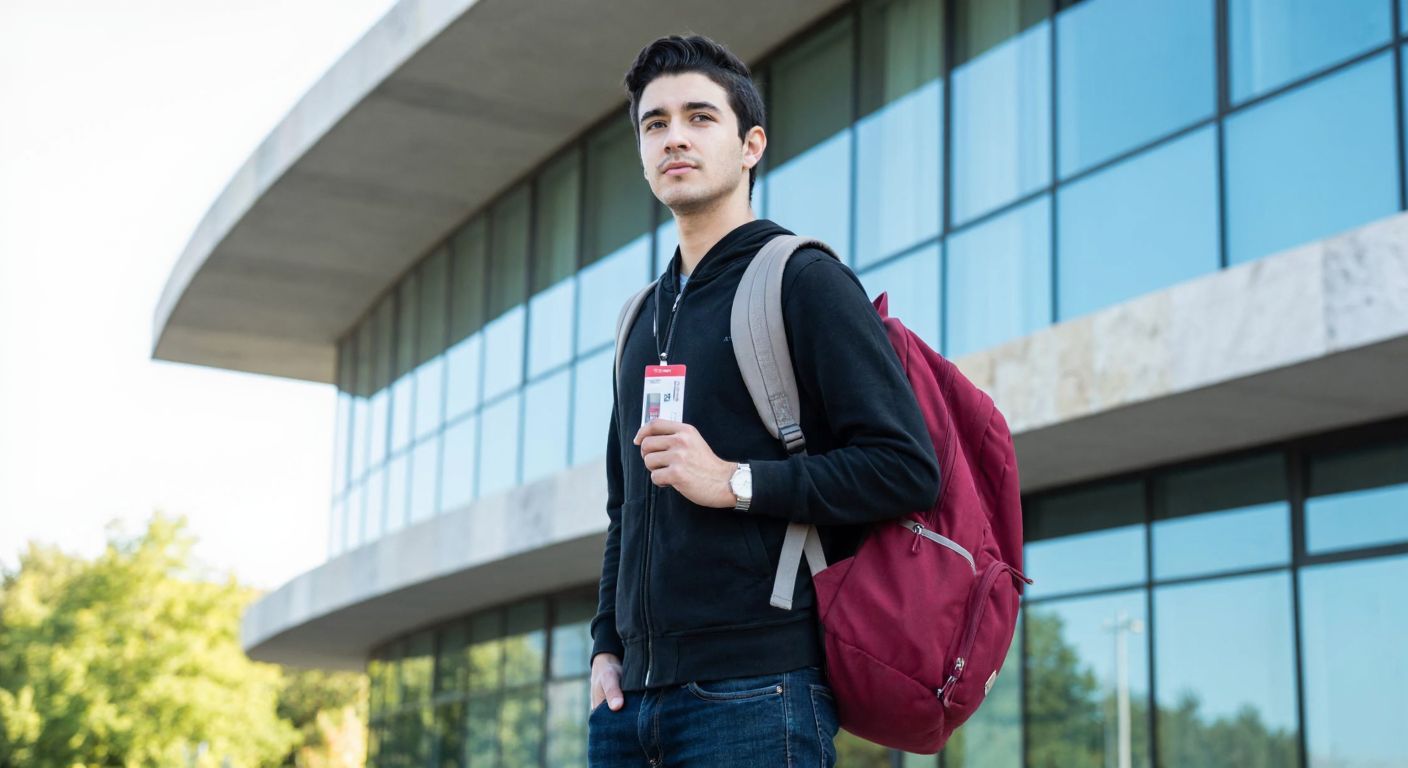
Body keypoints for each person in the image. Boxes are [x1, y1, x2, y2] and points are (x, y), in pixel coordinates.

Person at [587, 33, 940, 768]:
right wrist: (605, 649)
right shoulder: (638, 319)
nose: (673, 138)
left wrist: (736, 481)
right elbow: (626, 508)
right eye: (655, 125)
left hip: (757, 694)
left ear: (751, 145)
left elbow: (904, 467)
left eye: (699, 117)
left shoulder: (803, 279)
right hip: (629, 708)